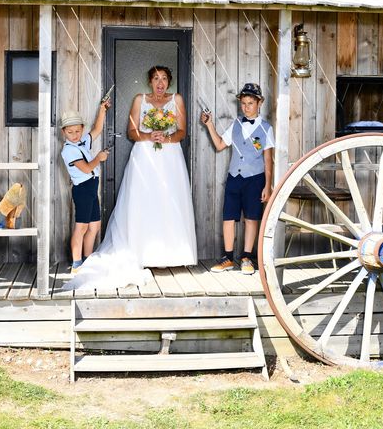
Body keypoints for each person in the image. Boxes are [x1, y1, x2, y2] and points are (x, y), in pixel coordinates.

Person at [66, 66, 197, 289]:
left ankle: (172, 254)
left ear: (169, 82)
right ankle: (141, 251)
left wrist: (167, 137)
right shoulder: (140, 99)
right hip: (145, 155)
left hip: (170, 157)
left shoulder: (177, 99)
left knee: (169, 200)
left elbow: (182, 131)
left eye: (164, 78)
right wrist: (148, 135)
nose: (160, 82)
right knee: (143, 200)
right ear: (150, 81)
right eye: (156, 78)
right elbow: (131, 131)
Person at [201, 83, 274, 275]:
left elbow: (268, 159)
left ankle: (246, 258)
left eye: (250, 103)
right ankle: (228, 258)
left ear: (260, 103)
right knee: (229, 217)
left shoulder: (267, 129)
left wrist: (268, 185)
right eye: (243, 103)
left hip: (255, 179)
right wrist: (209, 124)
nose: (246, 107)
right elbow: (219, 145)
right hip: (235, 178)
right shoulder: (235, 125)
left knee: (251, 218)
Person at [60, 100, 110, 273]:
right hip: (82, 190)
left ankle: (88, 259)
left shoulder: (82, 142)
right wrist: (99, 158)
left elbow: (96, 129)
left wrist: (102, 110)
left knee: (94, 226)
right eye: (70, 132)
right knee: (81, 227)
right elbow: (87, 168)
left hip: (91, 189)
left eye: (78, 131)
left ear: (81, 129)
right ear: (64, 132)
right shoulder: (68, 151)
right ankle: (76, 263)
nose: (75, 135)